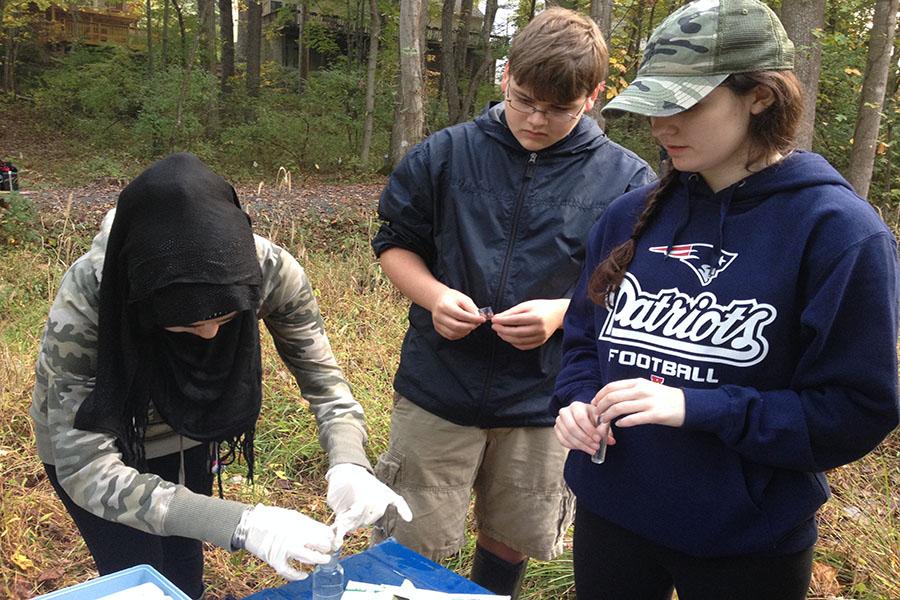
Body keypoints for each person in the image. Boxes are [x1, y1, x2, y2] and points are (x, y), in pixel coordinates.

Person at [551, 1, 900, 599]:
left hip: (747, 539)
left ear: (759, 96)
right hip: (613, 515)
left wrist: (699, 407)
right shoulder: (631, 216)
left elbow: (855, 410)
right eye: (656, 105)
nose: (663, 126)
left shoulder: (837, 232)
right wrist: (578, 402)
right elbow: (585, 340)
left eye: (686, 105)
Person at [30, 153, 412, 599]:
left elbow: (325, 383)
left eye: (227, 318)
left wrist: (349, 460)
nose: (210, 334)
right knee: (138, 575)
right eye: (188, 325)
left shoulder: (268, 270)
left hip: (191, 426)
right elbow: (85, 467)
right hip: (104, 435)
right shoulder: (91, 297)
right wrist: (242, 523)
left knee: (183, 568)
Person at [370, 8, 654, 598]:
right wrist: (435, 295)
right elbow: (395, 243)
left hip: (543, 397)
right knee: (414, 536)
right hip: (438, 386)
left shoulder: (626, 180)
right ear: (505, 77)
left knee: (514, 531)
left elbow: (637, 283)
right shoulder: (446, 155)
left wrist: (562, 312)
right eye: (525, 100)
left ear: (594, 96)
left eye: (559, 108)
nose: (537, 120)